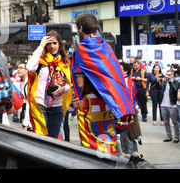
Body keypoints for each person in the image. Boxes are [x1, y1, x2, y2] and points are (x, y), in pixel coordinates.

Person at [71, 13, 135, 155]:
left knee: (92, 142)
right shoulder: (106, 48)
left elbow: (80, 84)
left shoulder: (81, 51)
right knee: (108, 136)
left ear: (80, 28)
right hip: (109, 101)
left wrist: (76, 99)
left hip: (90, 102)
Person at [26, 30, 72, 138]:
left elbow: (69, 84)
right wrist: (41, 46)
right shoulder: (40, 60)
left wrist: (63, 89)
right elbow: (29, 67)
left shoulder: (64, 62)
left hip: (56, 106)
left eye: (55, 43)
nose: (52, 46)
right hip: (40, 105)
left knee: (53, 140)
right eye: (49, 43)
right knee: (41, 138)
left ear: (59, 44)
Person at [119, 61, 139, 155]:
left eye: (120, 69)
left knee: (127, 138)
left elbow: (129, 100)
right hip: (126, 112)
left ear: (126, 71)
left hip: (126, 113)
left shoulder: (127, 82)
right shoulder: (123, 80)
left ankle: (130, 159)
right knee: (129, 136)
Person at [160, 69, 179, 143]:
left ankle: (177, 137)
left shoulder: (176, 82)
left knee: (175, 122)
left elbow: (175, 89)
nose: (168, 76)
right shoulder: (164, 82)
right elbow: (159, 88)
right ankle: (169, 136)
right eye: (167, 74)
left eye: (169, 75)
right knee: (166, 122)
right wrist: (159, 81)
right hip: (163, 104)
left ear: (173, 75)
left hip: (172, 105)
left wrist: (170, 82)